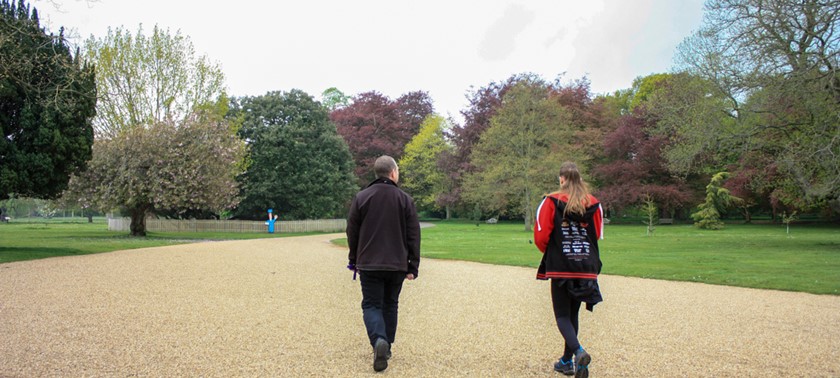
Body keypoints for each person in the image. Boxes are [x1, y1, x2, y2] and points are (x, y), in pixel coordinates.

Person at [346, 155, 421, 372]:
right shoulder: (405, 199)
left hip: (369, 262)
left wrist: (354, 259)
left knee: (371, 304)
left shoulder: (361, 198)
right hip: (397, 263)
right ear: (393, 173)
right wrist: (412, 265)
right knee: (390, 303)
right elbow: (413, 235)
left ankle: (379, 339)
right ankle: (386, 346)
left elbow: (352, 232)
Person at [533, 162, 604, 378]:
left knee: (562, 315)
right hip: (586, 264)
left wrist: (554, 252)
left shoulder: (551, 201)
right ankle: (567, 361)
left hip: (562, 263)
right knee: (573, 314)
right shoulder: (593, 203)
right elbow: (598, 233)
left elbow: (541, 234)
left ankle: (578, 352)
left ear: (562, 179)